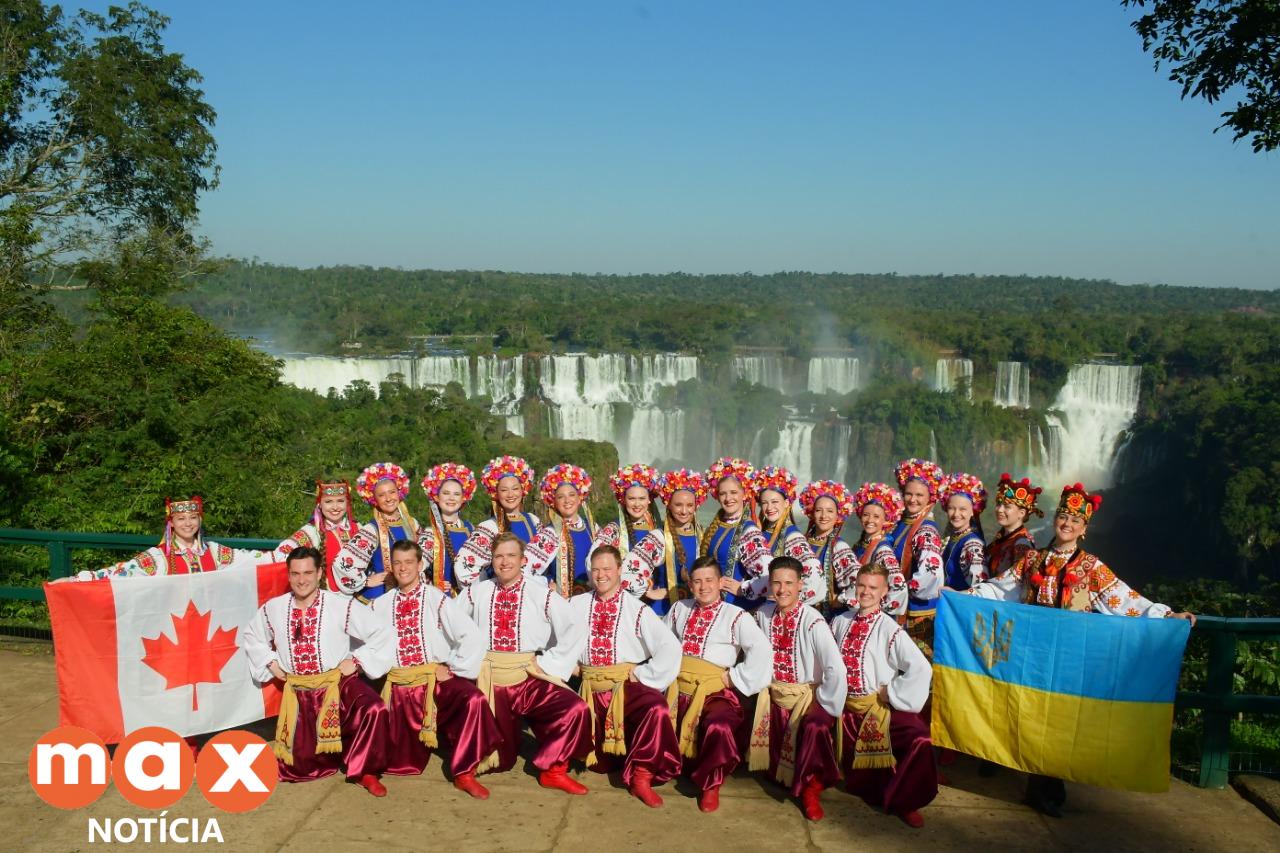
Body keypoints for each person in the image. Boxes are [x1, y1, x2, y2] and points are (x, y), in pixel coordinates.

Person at [968, 482, 1196, 817]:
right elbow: (1001, 590)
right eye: (1063, 517)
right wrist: (960, 595)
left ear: (1084, 529)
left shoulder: (1091, 567)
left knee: (1059, 722)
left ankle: (1050, 789)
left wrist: (1167, 615)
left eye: (1075, 520)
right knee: (1030, 715)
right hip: (1034, 654)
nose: (1067, 524)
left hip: (1070, 658)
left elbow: (1127, 601)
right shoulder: (1032, 560)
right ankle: (1035, 784)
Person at [242, 547, 392, 796]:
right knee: (299, 767)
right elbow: (252, 636)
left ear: (320, 572)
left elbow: (380, 632)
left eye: (308, 573)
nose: (302, 580)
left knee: (373, 708)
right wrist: (269, 661)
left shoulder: (340, 605)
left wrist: (356, 660)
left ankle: (365, 770)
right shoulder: (274, 608)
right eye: (296, 574)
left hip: (336, 684)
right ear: (288, 576)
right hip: (300, 694)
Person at [458, 532, 594, 793]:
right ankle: (465, 771)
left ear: (523, 560)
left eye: (511, 555)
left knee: (574, 709)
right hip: (491, 679)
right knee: (502, 760)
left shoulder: (540, 593)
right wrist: (458, 661)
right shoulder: (477, 592)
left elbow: (575, 627)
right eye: (498, 556)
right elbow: (451, 623)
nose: (504, 561)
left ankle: (554, 770)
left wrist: (552, 662)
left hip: (527, 676)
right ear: (492, 560)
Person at [369, 540, 501, 799]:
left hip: (432, 678)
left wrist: (453, 666)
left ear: (420, 565)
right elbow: (357, 637)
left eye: (409, 562)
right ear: (391, 567)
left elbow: (470, 635)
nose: (403, 568)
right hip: (399, 686)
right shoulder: (379, 605)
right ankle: (368, 768)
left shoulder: (436, 598)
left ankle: (464, 772)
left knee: (473, 699)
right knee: (396, 757)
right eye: (397, 563)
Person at [569, 544, 682, 807]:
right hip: (589, 690)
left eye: (607, 568)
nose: (601, 575)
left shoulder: (637, 608)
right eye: (596, 570)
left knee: (655, 707)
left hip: (623, 686)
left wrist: (643, 674)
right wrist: (569, 665)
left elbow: (669, 647)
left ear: (619, 570)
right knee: (601, 764)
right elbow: (553, 637)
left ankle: (641, 778)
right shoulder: (576, 604)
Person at [663, 556, 772, 813]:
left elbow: (762, 649)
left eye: (709, 580)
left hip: (714, 688)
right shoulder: (680, 609)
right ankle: (652, 769)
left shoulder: (736, 616)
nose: (703, 587)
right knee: (652, 710)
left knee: (719, 724)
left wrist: (734, 677)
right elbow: (662, 643)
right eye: (697, 581)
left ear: (720, 582)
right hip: (677, 685)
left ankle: (711, 784)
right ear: (690, 585)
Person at [830, 564, 936, 828]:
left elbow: (921, 667)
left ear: (885, 591)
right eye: (862, 585)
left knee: (919, 738)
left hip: (875, 708)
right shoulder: (840, 621)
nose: (865, 592)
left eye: (873, 587)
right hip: (842, 709)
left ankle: (907, 800)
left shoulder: (889, 629)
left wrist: (892, 693)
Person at [748, 557, 847, 821]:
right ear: (769, 585)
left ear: (800, 585)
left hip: (805, 697)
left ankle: (811, 788)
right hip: (776, 694)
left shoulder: (812, 620)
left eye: (789, 583)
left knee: (814, 727)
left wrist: (822, 702)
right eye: (777, 583)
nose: (782, 590)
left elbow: (835, 668)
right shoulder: (763, 614)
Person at [71, 496, 276, 579]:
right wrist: (77, 579)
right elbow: (122, 573)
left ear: (200, 520)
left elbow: (254, 559)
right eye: (181, 519)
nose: (188, 524)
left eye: (193, 517)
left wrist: (291, 552)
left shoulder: (214, 552)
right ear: (171, 523)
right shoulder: (158, 557)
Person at [620, 468, 709, 617]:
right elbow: (626, 574)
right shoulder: (658, 538)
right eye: (678, 505)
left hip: (695, 613)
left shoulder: (702, 535)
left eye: (689, 505)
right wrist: (649, 589)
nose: (684, 511)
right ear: (669, 505)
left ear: (696, 506)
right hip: (663, 613)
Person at [332, 462, 419, 601]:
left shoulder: (412, 524)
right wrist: (365, 581)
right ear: (374, 499)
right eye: (382, 495)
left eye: (392, 492)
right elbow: (342, 564)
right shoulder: (372, 530)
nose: (389, 498)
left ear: (399, 492)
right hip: (382, 595)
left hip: (411, 591)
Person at [453, 455, 542, 587]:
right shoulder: (489, 527)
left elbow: (546, 563)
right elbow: (464, 568)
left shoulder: (533, 521)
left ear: (523, 490)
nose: (511, 494)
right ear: (496, 494)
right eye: (504, 490)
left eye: (515, 488)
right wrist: (486, 589)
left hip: (533, 595)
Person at [888, 458, 946, 657]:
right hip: (895, 606)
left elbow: (931, 576)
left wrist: (894, 590)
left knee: (914, 668)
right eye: (909, 494)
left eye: (919, 495)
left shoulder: (926, 530)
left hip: (916, 615)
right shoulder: (901, 522)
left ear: (930, 497)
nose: (913, 499)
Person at [700, 457, 771, 610]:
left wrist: (743, 589)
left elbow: (768, 573)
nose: (728, 498)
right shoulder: (718, 525)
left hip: (736, 608)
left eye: (733, 492)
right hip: (714, 606)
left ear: (744, 494)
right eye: (723, 493)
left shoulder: (748, 531)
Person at [754, 466, 826, 607]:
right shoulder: (763, 530)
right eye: (764, 503)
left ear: (786, 503)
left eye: (775, 502)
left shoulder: (792, 536)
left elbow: (815, 574)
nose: (769, 508)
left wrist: (790, 601)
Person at [277, 481, 362, 591]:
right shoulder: (312, 531)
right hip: (327, 598)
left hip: (357, 596)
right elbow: (281, 553)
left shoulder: (358, 528)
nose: (335, 507)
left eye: (340, 501)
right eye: (328, 502)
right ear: (320, 504)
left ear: (347, 503)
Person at [797, 479, 859, 615]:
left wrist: (840, 600)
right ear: (812, 513)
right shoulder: (802, 541)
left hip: (825, 617)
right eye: (819, 510)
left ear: (838, 515)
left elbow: (858, 580)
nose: (824, 516)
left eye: (830, 511)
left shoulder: (839, 547)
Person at [847, 482, 908, 618]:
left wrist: (875, 611)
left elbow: (900, 588)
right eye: (866, 515)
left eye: (876, 517)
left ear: (886, 520)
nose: (870, 520)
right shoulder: (862, 544)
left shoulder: (882, 550)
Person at [415, 463, 478, 594]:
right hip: (443, 599)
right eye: (446, 493)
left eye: (456, 494)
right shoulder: (430, 533)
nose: (451, 498)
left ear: (463, 498)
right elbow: (415, 568)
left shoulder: (470, 528)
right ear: (437, 497)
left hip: (469, 597)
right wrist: (432, 586)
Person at [939, 472, 989, 592]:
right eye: (951, 508)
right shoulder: (952, 537)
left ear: (973, 511)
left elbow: (981, 588)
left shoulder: (972, 544)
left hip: (959, 606)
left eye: (962, 509)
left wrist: (957, 594)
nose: (956, 514)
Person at [986, 474, 1042, 577]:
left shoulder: (1022, 544)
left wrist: (974, 591)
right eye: (998, 504)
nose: (999, 510)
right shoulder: (1002, 536)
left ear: (1021, 513)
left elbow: (1012, 582)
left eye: (1007, 506)